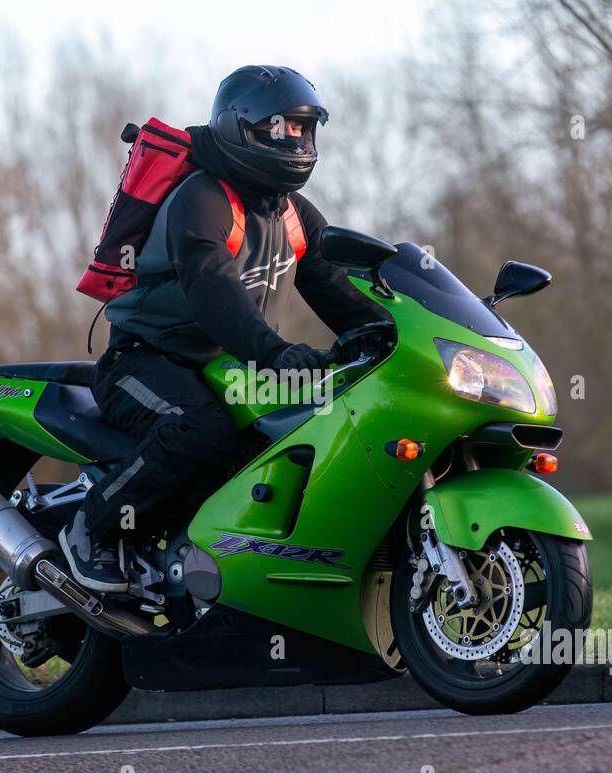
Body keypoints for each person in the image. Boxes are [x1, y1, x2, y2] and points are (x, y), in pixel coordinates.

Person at [62, 64, 384, 591]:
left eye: (304, 128)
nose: (296, 139)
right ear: (240, 128)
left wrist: (391, 332)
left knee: (301, 426)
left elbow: (338, 290)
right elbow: (213, 288)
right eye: (280, 128)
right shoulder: (203, 198)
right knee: (198, 428)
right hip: (144, 359)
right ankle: (92, 529)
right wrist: (273, 351)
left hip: (225, 366)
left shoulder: (293, 214)